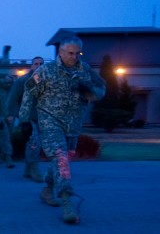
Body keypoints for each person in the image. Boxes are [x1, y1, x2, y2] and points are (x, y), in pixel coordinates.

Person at [19, 36, 105, 224]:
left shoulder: (85, 70)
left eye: (77, 53)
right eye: (70, 53)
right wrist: (24, 119)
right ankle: (67, 201)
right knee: (60, 157)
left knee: (63, 159)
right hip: (50, 121)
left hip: (73, 124)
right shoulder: (46, 71)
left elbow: (102, 88)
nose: (74, 57)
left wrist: (91, 92)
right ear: (61, 52)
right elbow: (29, 91)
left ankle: (47, 190)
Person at [6, 56, 45, 181]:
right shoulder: (23, 81)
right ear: (32, 66)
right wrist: (10, 114)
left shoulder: (47, 80)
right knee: (34, 143)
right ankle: (34, 169)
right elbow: (12, 97)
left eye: (41, 64)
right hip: (27, 117)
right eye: (36, 63)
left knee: (33, 144)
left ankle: (28, 168)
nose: (38, 66)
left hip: (42, 118)